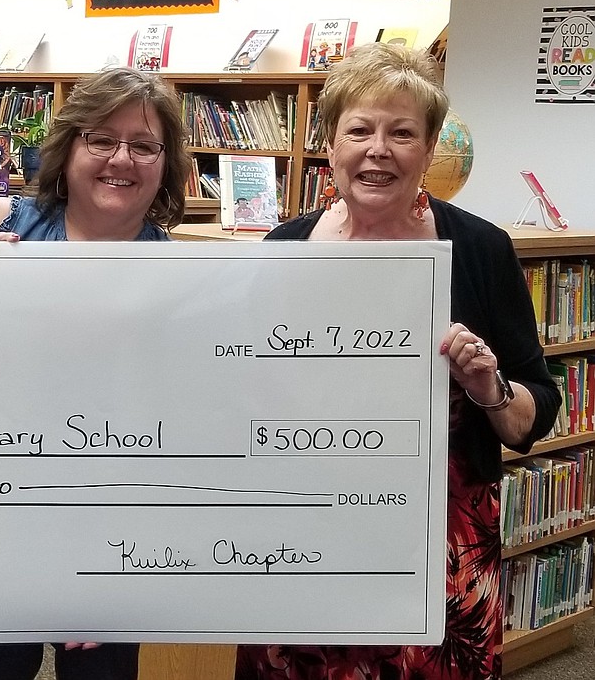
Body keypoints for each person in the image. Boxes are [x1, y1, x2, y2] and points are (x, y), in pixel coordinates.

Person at [235, 43, 560, 680]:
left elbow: (533, 416)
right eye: (359, 129)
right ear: (331, 143)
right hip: (302, 536)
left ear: (430, 146)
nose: (377, 149)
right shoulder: (284, 247)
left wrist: (487, 386)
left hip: (435, 553)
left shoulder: (477, 249)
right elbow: (243, 386)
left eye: (402, 132)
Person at [0, 65, 192, 680]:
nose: (121, 159)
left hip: (111, 528)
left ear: (166, 163)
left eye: (143, 145)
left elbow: (182, 430)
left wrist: (107, 565)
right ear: (69, 145)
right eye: (101, 139)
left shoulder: (184, 281)